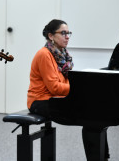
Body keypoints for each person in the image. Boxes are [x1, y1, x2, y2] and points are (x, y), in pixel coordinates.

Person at [27, 19, 109, 161]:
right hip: (40, 101)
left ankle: (102, 157)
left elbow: (64, 84)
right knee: (92, 117)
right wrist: (79, 89)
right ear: (51, 36)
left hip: (55, 99)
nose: (67, 37)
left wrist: (81, 88)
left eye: (68, 33)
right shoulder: (44, 54)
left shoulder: (62, 54)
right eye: (63, 33)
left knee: (96, 114)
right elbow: (55, 87)